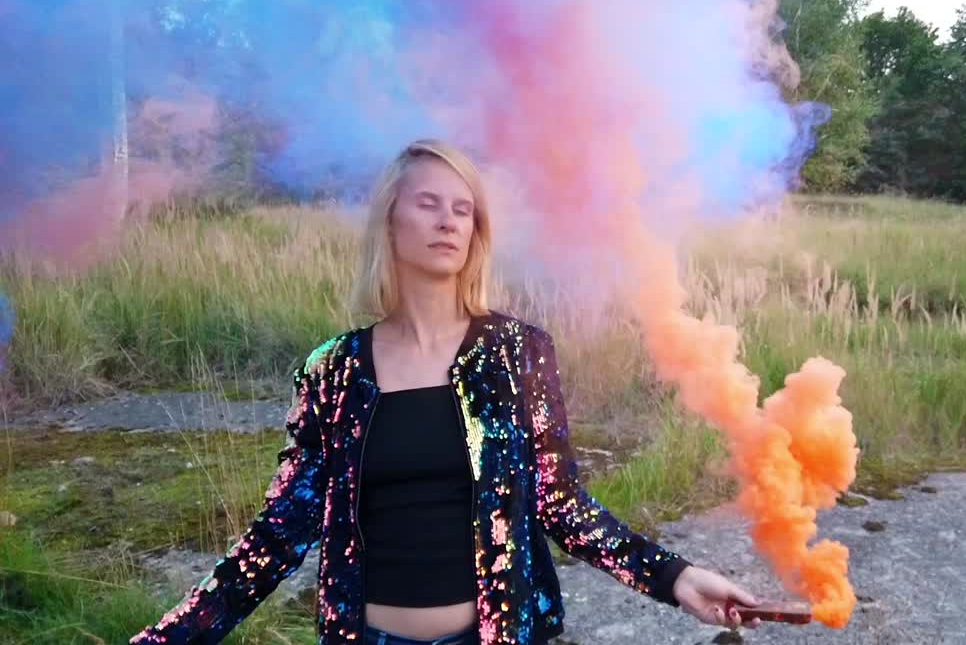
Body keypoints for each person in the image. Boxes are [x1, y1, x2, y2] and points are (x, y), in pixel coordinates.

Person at [130, 139, 763, 645]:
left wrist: (674, 578)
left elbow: (560, 505)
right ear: (390, 220)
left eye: (464, 209)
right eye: (429, 203)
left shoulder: (518, 354)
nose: (449, 221)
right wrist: (170, 636)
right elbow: (278, 534)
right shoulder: (332, 372)